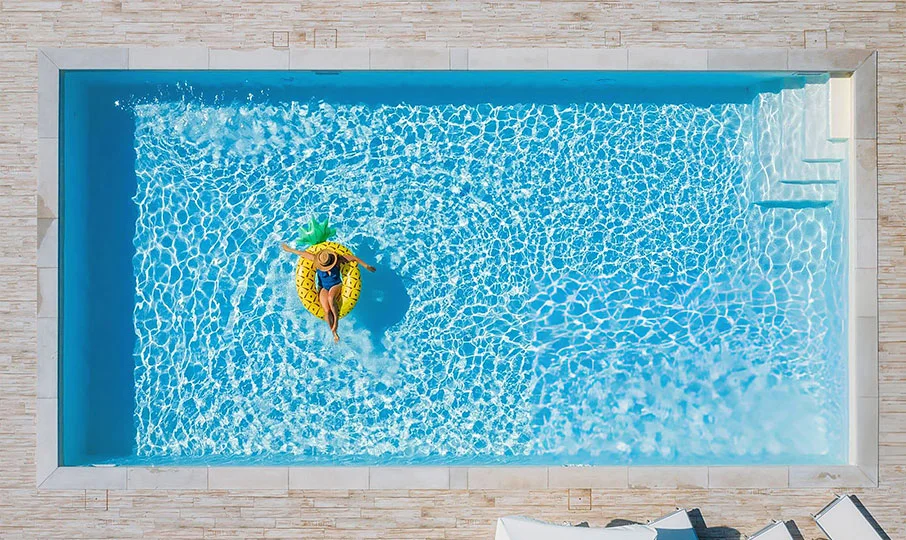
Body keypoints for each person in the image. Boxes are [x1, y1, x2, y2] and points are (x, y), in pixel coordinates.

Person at [281, 243, 375, 342]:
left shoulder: (338, 260)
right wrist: (289, 249)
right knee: (326, 310)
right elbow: (301, 253)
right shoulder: (316, 260)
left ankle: (336, 322)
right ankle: (334, 333)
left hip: (336, 285)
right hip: (323, 288)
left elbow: (353, 258)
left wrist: (366, 266)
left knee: (331, 298)